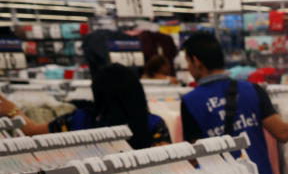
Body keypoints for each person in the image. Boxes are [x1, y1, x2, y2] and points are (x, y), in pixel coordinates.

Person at [179, 32, 288, 174]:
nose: (189, 68)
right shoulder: (252, 90)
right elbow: (284, 133)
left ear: (196, 61)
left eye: (188, 62)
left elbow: (195, 158)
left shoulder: (190, 102)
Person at [0, 63, 171, 149]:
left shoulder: (78, 119)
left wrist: (12, 110)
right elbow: (165, 165)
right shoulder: (154, 124)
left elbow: (33, 132)